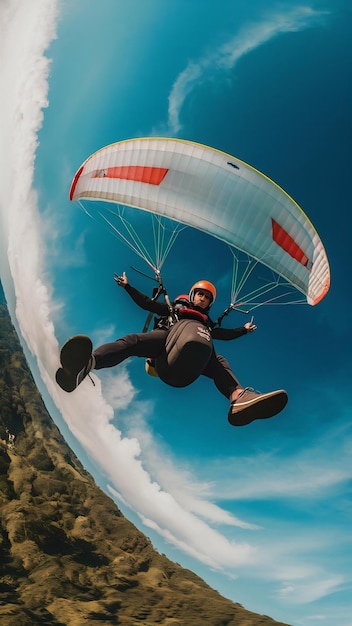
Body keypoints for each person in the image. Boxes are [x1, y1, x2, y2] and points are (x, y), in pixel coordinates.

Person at [56, 273, 288, 426]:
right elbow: (147, 303)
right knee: (133, 342)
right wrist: (128, 287)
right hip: (167, 347)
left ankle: (239, 399)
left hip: (191, 362)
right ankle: (85, 366)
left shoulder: (207, 325)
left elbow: (224, 335)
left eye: (207, 298)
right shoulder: (173, 312)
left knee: (218, 360)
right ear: (191, 295)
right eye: (200, 294)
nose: (203, 299)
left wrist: (243, 330)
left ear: (209, 304)